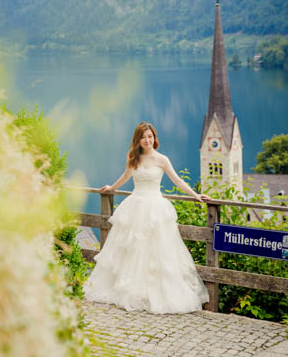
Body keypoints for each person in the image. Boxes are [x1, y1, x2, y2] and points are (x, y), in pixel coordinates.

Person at [84, 122, 210, 314]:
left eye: (150, 136)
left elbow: (177, 180)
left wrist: (196, 195)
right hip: (135, 206)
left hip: (155, 209)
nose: (147, 140)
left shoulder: (162, 159)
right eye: (143, 137)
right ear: (138, 140)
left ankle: (155, 294)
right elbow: (125, 176)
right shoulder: (134, 158)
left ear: (154, 138)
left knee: (157, 252)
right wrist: (112, 188)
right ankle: (130, 290)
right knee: (132, 250)